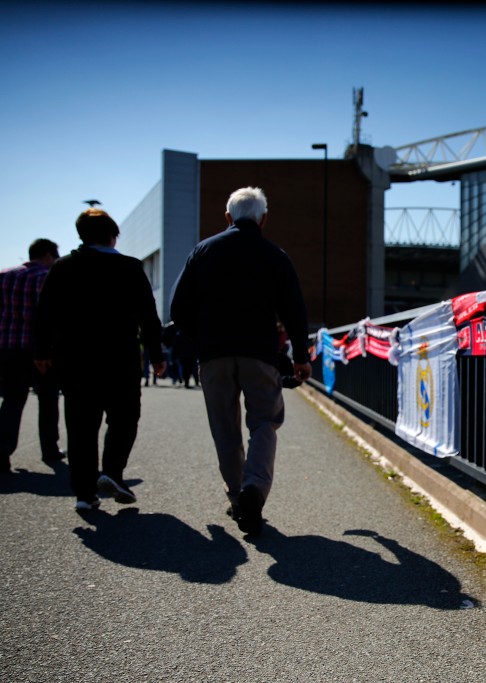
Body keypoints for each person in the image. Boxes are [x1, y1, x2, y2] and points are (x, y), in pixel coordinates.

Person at [170, 187, 311, 536]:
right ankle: (254, 489)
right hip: (259, 353)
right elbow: (294, 310)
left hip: (214, 354)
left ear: (228, 217)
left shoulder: (203, 251)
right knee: (264, 421)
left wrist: (200, 336)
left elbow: (178, 309)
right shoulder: (274, 255)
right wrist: (302, 357)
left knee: (225, 428)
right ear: (263, 219)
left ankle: (237, 497)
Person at [34, 209, 166, 510]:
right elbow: (148, 315)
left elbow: (46, 313)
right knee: (124, 417)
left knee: (81, 423)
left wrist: (41, 352)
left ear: (81, 236)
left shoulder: (63, 267)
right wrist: (157, 355)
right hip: (120, 357)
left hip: (74, 359)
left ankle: (84, 493)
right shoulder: (130, 268)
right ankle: (112, 471)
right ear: (113, 234)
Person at [0, 238, 64, 472]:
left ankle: (2, 450)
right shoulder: (44, 278)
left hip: (8, 348)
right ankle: (50, 448)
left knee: (12, 399)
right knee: (48, 399)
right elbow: (50, 318)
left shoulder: (4, 276)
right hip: (40, 351)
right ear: (48, 255)